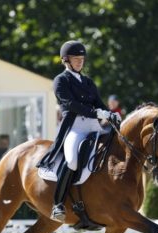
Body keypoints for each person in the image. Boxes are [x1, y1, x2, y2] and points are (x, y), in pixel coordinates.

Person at [37, 40, 121, 222]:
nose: (80, 62)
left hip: (94, 127)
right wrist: (95, 112)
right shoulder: (61, 80)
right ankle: (58, 204)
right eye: (76, 59)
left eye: (82, 59)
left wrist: (110, 114)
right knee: (73, 161)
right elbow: (70, 104)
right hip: (74, 128)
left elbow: (99, 103)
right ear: (66, 60)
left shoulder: (88, 82)